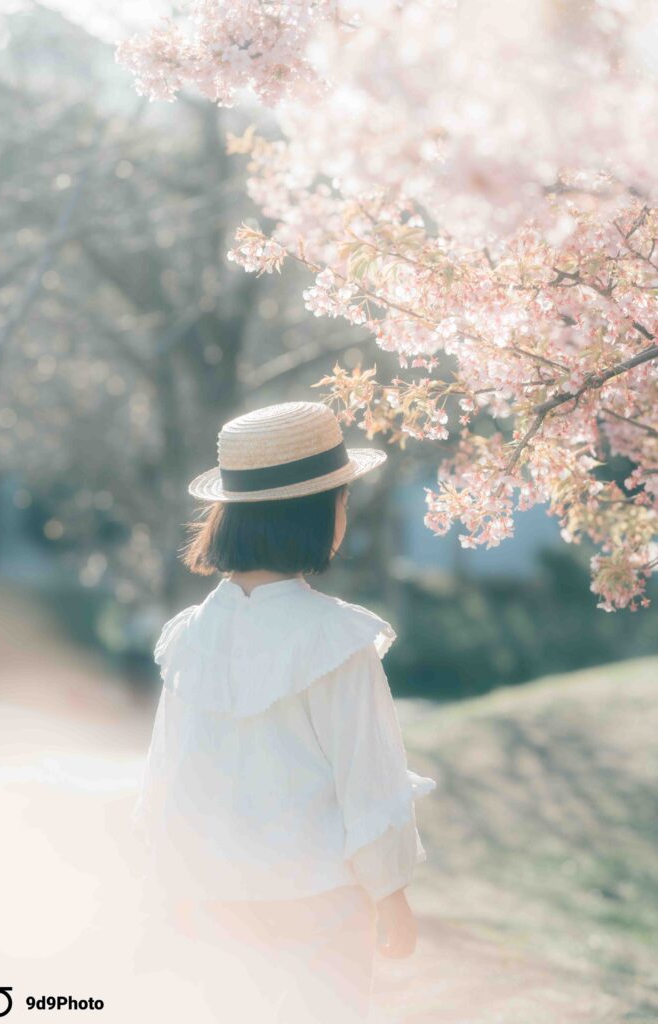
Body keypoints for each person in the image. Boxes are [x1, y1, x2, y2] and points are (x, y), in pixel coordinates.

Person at [130, 400, 437, 1023]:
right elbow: (369, 781)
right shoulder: (337, 639)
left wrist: (164, 886)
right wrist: (391, 894)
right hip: (318, 904)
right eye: (341, 500)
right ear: (318, 513)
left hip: (211, 899)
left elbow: (167, 777)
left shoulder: (188, 636)